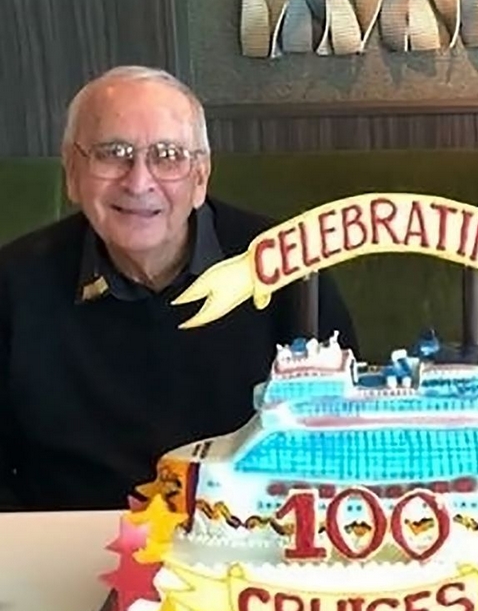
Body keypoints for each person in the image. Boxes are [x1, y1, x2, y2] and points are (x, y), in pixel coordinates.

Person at [0, 66, 358, 511]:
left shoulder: (289, 271)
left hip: (247, 533)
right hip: (63, 536)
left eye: (167, 156)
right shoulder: (13, 283)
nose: (138, 182)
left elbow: (339, 444)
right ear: (73, 172)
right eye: (113, 153)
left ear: (200, 177)